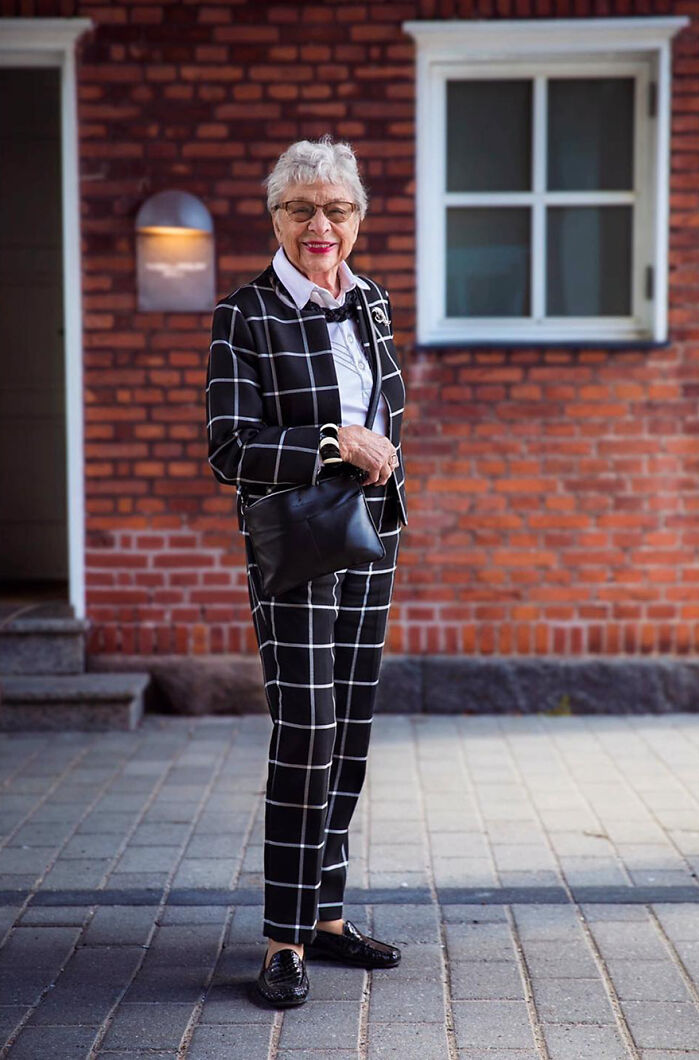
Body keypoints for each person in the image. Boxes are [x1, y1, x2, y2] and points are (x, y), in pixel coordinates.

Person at [205, 136, 407, 1007]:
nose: (319, 225)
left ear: (357, 218)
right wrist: (332, 441)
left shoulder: (373, 304)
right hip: (292, 545)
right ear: (275, 217)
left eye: (336, 209)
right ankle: (282, 942)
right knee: (308, 733)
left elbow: (386, 410)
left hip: (369, 539)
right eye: (301, 209)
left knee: (352, 729)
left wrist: (383, 458)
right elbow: (229, 446)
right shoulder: (243, 315)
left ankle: (325, 917)